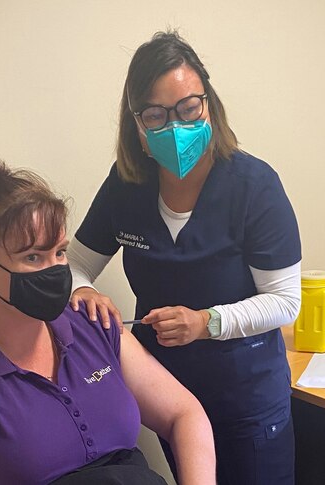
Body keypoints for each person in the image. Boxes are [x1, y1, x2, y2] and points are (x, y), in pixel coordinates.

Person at [0, 152, 216, 485]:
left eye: (59, 252)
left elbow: (184, 414)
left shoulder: (91, 322)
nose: (54, 270)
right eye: (32, 256)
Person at [68, 31, 302, 485]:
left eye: (188, 109)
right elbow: (74, 262)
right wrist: (82, 289)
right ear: (136, 123)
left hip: (246, 400)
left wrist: (205, 322)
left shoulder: (253, 186)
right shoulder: (126, 184)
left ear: (208, 104)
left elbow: (284, 301)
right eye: (156, 115)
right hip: (171, 399)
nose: (174, 126)